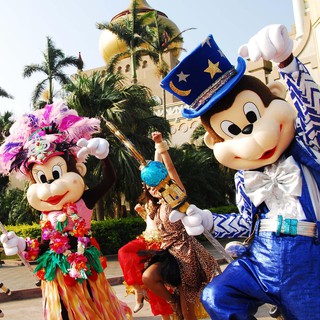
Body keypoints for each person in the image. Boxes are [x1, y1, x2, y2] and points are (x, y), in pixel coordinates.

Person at [160, 24, 320, 319]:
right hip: (260, 259)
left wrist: (287, 63)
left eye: (252, 117)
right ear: (215, 141)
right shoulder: (244, 177)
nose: (251, 137)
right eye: (233, 131)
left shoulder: (307, 147)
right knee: (218, 295)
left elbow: (314, 114)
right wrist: (208, 220)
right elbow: (246, 222)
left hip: (308, 259)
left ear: (273, 98)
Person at [0, 102, 132, 320]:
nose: (50, 186)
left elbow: (109, 181)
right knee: (62, 312)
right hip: (55, 270)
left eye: (55, 174)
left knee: (93, 307)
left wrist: (104, 157)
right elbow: (44, 244)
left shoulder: (84, 200)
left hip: (84, 263)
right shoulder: (46, 212)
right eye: (42, 178)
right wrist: (21, 244)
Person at [142, 132, 221, 320]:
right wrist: (154, 160)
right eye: (148, 186)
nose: (151, 187)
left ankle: (181, 305)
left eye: (155, 184)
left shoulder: (175, 198)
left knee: (188, 315)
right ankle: (173, 301)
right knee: (148, 277)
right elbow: (154, 173)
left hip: (187, 255)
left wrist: (160, 146)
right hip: (168, 253)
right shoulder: (156, 206)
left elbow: (167, 169)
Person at [118, 201, 173, 319]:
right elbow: (150, 220)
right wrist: (142, 213)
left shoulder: (166, 200)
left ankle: (168, 317)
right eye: (147, 186)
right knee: (124, 252)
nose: (151, 188)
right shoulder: (150, 200)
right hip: (145, 240)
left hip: (160, 243)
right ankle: (139, 290)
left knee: (158, 283)